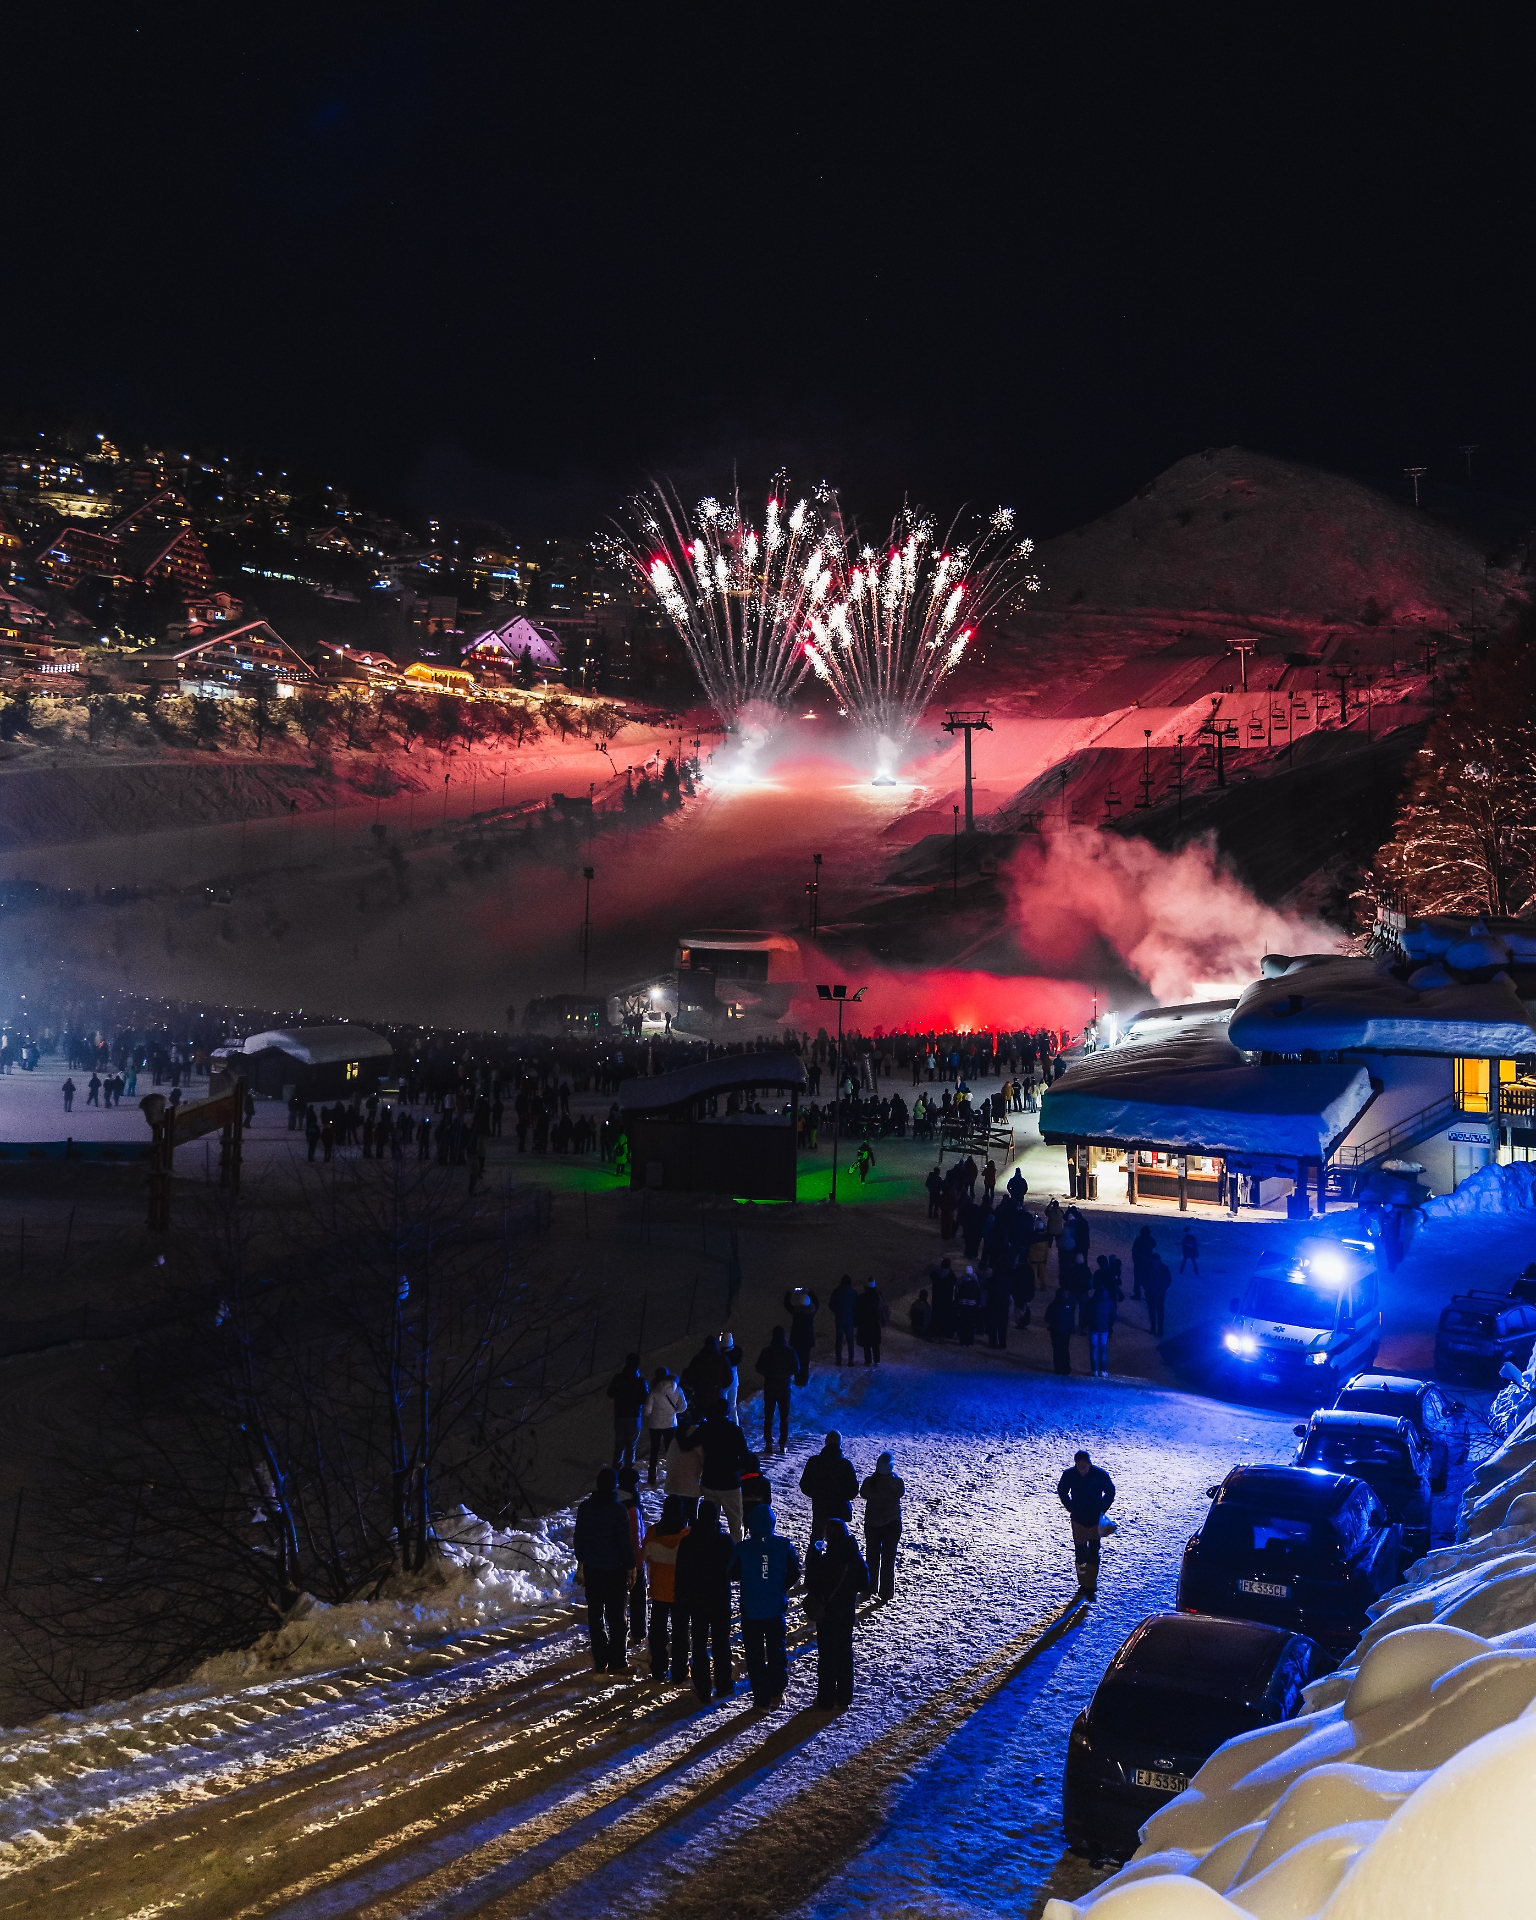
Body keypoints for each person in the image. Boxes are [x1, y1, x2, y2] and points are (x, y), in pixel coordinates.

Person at [728, 1503, 802, 1706]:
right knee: (777, 1650)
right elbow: (795, 1571)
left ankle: (761, 1699)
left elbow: (731, 1573)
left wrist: (753, 1576)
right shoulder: (784, 1545)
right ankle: (777, 1691)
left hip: (751, 1608)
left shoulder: (743, 1548)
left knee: (754, 1655)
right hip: (775, 1607)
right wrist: (779, 1586)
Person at [572, 1467, 636, 1673]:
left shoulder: (585, 1508)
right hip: (614, 1571)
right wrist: (630, 1566)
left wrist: (582, 1561)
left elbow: (579, 1539)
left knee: (596, 1616)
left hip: (593, 1570)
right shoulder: (618, 1511)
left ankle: (600, 1660)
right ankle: (618, 1660)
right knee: (617, 1618)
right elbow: (624, 1543)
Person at [805, 1517, 871, 1709]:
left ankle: (825, 1699)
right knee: (844, 1653)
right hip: (846, 1612)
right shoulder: (854, 1557)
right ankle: (844, 1697)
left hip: (827, 1613)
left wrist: (814, 1554)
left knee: (827, 1656)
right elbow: (864, 1583)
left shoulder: (825, 1560)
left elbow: (811, 1584)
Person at [674, 1498, 735, 1701]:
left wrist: (681, 1599)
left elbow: (680, 1574)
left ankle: (703, 1687)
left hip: (696, 1600)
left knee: (699, 1644)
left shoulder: (688, 1541)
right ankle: (724, 1684)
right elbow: (734, 1570)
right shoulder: (724, 1541)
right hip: (719, 1599)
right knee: (721, 1642)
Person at [681, 1400, 753, 1541]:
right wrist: (732, 1468)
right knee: (735, 1523)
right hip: (730, 1483)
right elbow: (746, 1459)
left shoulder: (706, 1428)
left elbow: (686, 1445)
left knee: (710, 1522)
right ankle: (736, 1549)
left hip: (710, 1480)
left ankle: (711, 1548)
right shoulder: (735, 1430)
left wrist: (681, 1430)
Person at [1058, 1449, 1116, 1600]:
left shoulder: (1097, 1475)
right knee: (1081, 1554)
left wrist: (1102, 1507)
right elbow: (1062, 1491)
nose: (1082, 1468)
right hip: (1080, 1519)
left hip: (1092, 1520)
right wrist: (1071, 1507)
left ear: (1089, 1463)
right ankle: (1084, 1584)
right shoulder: (1074, 1475)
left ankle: (1090, 1585)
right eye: (1080, 1465)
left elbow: (1110, 1491)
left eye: (1084, 1465)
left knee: (1092, 1553)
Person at [859, 1450, 904, 1602]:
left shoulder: (869, 1482)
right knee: (888, 1559)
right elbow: (901, 1493)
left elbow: (863, 1494)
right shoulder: (897, 1483)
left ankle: (870, 1587)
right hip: (892, 1523)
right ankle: (886, 1592)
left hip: (872, 1524)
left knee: (872, 1557)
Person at [799, 1429, 859, 1544]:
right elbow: (853, 1491)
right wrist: (841, 1497)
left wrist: (817, 1494)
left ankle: (814, 1555)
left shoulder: (814, 1462)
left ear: (826, 1442)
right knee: (838, 1542)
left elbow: (804, 1485)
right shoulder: (846, 1465)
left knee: (816, 1539)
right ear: (840, 1444)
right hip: (839, 1510)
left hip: (820, 1507)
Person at [616, 1464, 648, 1644]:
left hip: (615, 1559)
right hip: (633, 1560)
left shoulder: (613, 1501)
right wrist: (637, 1562)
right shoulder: (632, 1508)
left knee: (618, 1600)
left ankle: (618, 1633)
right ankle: (638, 1632)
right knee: (637, 1598)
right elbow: (635, 1537)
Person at [643, 1366, 688, 1486]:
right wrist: (674, 1411)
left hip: (655, 1424)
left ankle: (652, 1476)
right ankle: (672, 1474)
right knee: (670, 1449)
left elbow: (647, 1411)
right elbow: (683, 1407)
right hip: (671, 1423)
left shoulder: (654, 1391)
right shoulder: (677, 1389)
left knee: (654, 1449)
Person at [755, 1326, 796, 1455]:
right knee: (784, 1417)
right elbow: (797, 1368)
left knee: (768, 1417)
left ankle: (768, 1443)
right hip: (784, 1388)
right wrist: (786, 1374)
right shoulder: (789, 1351)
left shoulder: (767, 1351)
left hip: (770, 1387)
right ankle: (783, 1443)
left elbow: (758, 1367)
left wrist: (769, 1374)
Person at [607, 1353, 648, 1468]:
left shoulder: (618, 1378)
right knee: (631, 1445)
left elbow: (610, 1393)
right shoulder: (640, 1381)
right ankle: (628, 1469)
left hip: (620, 1415)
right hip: (634, 1415)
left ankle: (616, 1467)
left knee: (619, 1444)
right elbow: (645, 1398)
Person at [664, 1418, 704, 1521]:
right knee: (691, 1514)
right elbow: (705, 1462)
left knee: (677, 1514)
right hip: (691, 1485)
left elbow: (669, 1457)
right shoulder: (699, 1445)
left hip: (674, 1482)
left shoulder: (675, 1441)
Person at [783, 1284, 819, 1386]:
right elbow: (817, 1302)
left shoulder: (796, 1312)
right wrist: (809, 1292)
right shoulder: (811, 1311)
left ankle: (798, 1378)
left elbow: (786, 1303)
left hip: (796, 1339)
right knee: (805, 1360)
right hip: (807, 1340)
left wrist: (789, 1292)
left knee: (797, 1360)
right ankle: (804, 1379)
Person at [1088, 1275, 1117, 1377]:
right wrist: (1110, 1325)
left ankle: (1094, 1370)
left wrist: (1085, 1324)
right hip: (1104, 1328)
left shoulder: (1092, 1300)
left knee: (1093, 1349)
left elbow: (1087, 1314)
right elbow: (1113, 1316)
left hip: (1093, 1327)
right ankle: (1103, 1370)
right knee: (1103, 1349)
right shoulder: (1109, 1301)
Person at [853, 1277, 886, 1366]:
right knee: (875, 1343)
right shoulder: (878, 1296)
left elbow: (858, 1311)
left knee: (866, 1343)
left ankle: (868, 1361)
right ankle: (877, 1360)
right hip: (875, 1323)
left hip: (865, 1323)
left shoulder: (861, 1297)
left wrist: (856, 1322)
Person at [1044, 1284, 1075, 1375]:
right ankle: (1066, 1368)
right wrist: (1071, 1328)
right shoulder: (1068, 1305)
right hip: (1066, 1330)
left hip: (1055, 1330)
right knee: (1065, 1349)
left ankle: (1058, 1368)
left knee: (1057, 1350)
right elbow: (1071, 1318)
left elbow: (1047, 1318)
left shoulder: (1052, 1305)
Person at [829, 1274, 858, 1367]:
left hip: (840, 1318)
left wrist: (837, 1311)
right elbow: (857, 1306)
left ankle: (838, 1359)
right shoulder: (853, 1293)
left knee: (839, 1339)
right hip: (850, 1319)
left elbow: (831, 1304)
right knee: (850, 1340)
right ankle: (851, 1360)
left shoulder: (836, 1291)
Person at [953, 1264, 983, 1345]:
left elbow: (957, 1294)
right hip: (972, 1306)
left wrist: (956, 1303)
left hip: (963, 1306)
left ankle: (962, 1341)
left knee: (963, 1323)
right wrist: (978, 1304)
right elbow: (978, 1294)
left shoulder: (961, 1282)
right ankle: (969, 1341)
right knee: (970, 1324)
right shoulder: (975, 1283)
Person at [1144, 1254, 1173, 1336]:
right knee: (1152, 1311)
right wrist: (1148, 1288)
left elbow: (1168, 1280)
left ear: (1159, 1260)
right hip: (1150, 1293)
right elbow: (1143, 1280)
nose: (1155, 1262)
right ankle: (1153, 1327)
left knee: (1160, 1311)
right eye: (1154, 1260)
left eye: (1156, 1260)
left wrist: (1163, 1288)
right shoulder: (1148, 1268)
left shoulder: (1164, 1268)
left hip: (1160, 1293)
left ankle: (1160, 1328)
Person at [1131, 1224, 1156, 1301]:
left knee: (1138, 1280)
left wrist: (1134, 1259)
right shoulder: (1150, 1240)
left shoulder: (1139, 1240)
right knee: (1147, 1279)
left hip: (1139, 1262)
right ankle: (1149, 1294)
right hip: (1147, 1262)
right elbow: (1154, 1244)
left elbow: (1134, 1250)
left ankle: (1137, 1294)